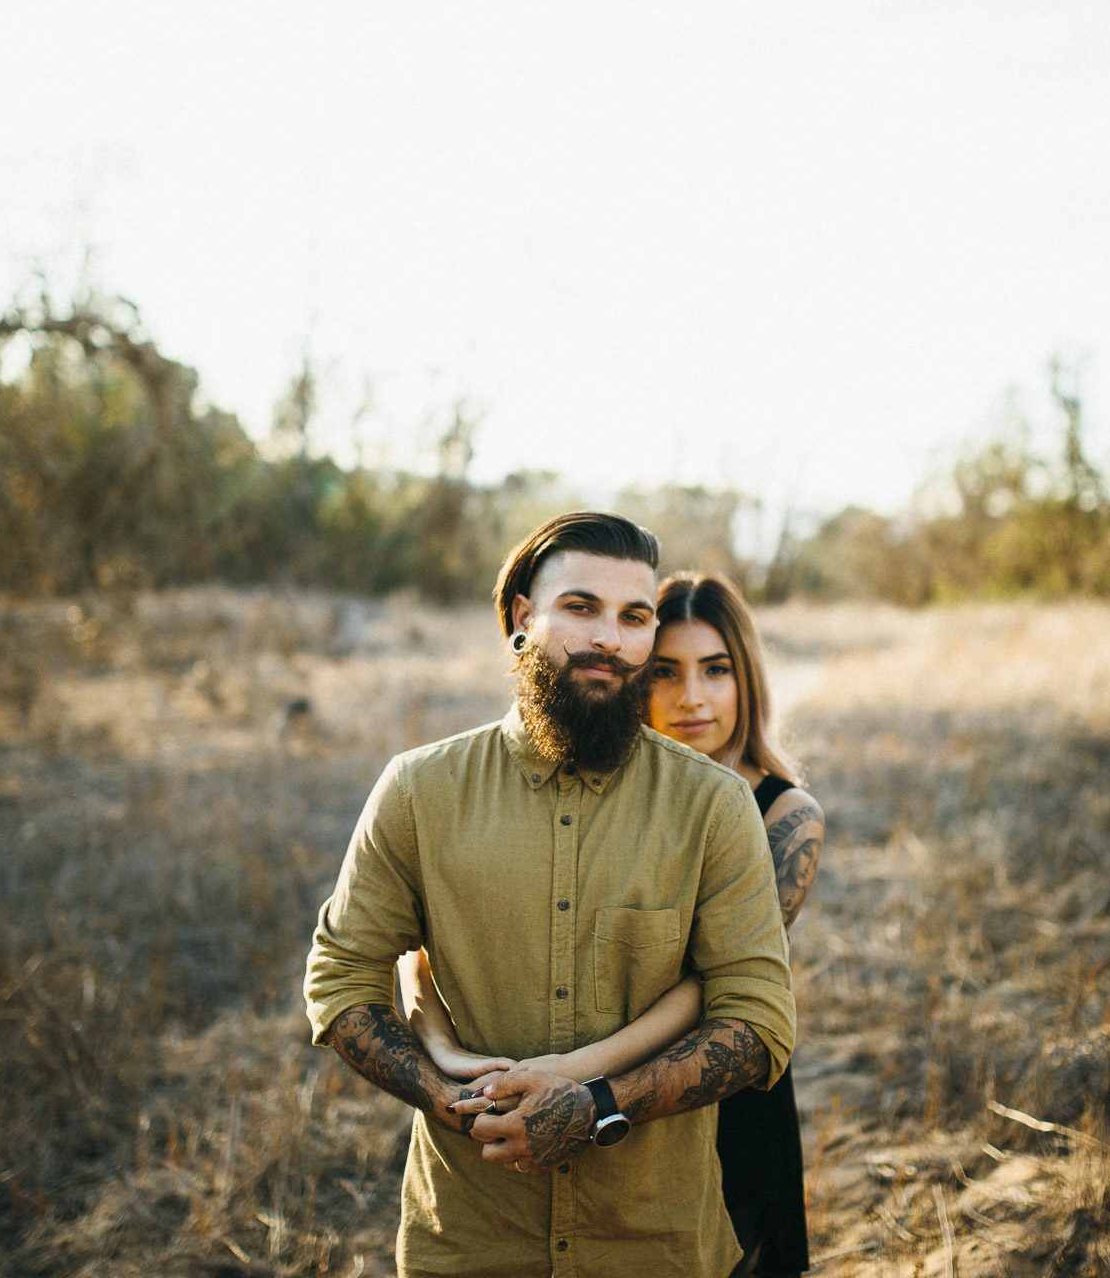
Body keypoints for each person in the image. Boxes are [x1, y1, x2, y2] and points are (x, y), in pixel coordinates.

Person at [302, 512, 796, 1278]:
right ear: (522, 619)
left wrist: (599, 1107)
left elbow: (759, 1020)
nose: (609, 639)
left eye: (634, 617)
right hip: (469, 1242)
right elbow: (341, 978)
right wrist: (444, 1097)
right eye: (581, 607)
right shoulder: (419, 791)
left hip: (656, 1247)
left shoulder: (714, 806)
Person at [404, 570, 825, 1277]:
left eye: (716, 670)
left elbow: (709, 986)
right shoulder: (580, 789)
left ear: (747, 680)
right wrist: (444, 1048)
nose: (691, 697)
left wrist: (570, 1075)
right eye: (666, 672)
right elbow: (432, 926)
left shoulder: (782, 814)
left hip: (712, 1088)